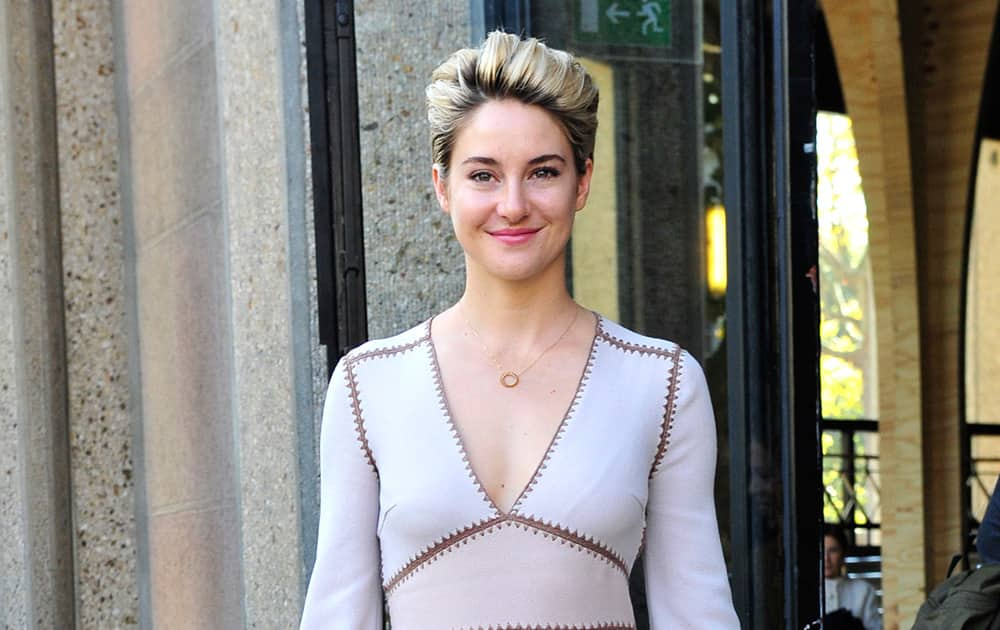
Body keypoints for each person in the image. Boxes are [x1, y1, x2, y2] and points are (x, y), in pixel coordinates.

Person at [299, 30, 739, 629]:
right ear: (441, 187)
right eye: (483, 175)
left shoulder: (661, 383)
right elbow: (336, 615)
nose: (512, 205)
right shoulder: (366, 386)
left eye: (543, 172)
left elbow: (698, 613)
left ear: (581, 182)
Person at [824, 523, 882, 630]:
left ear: (843, 553)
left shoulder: (864, 590)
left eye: (833, 551)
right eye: (821, 551)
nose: (826, 558)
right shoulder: (806, 594)